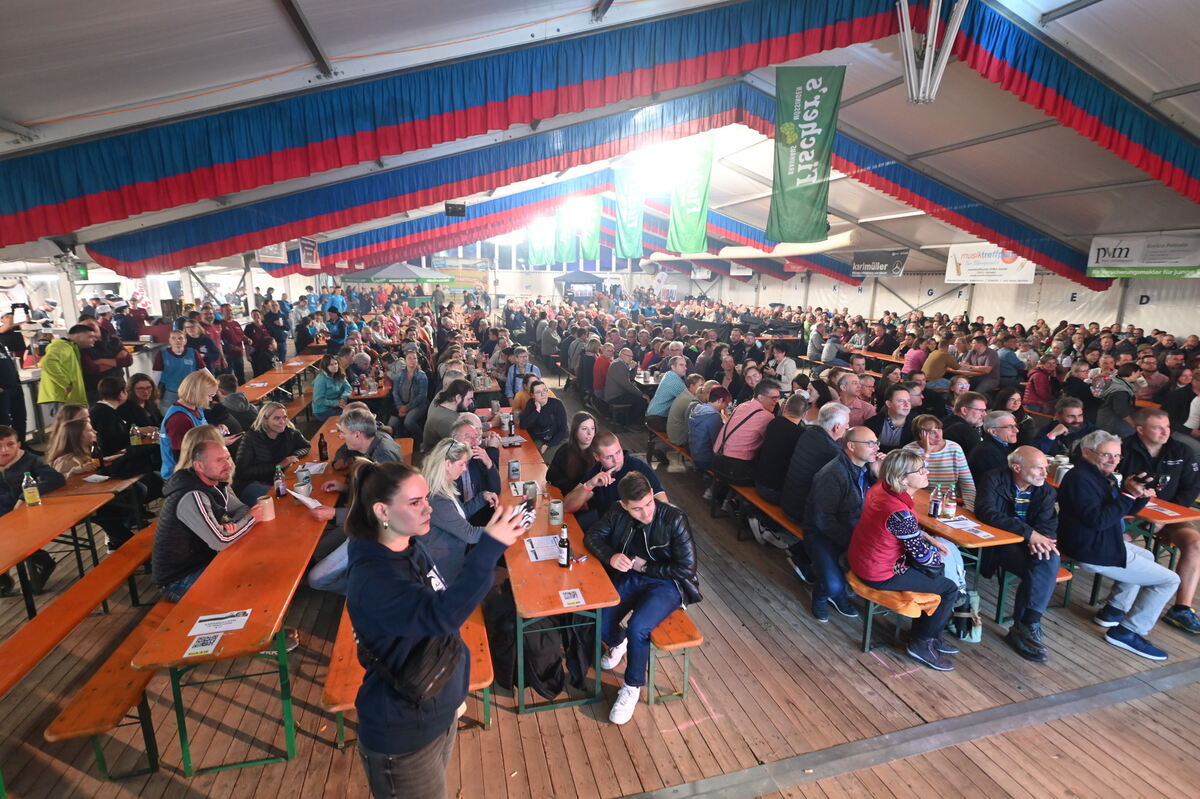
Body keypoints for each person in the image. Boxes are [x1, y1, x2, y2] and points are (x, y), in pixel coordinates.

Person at [344, 461, 522, 798]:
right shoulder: (374, 577)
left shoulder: (405, 544)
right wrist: (488, 549)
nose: (428, 508)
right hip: (404, 734)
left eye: (426, 498)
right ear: (382, 510)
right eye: (415, 503)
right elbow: (441, 615)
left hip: (437, 706)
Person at [585, 472, 698, 725]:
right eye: (637, 509)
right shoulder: (617, 512)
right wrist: (611, 556)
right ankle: (618, 641)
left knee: (638, 627)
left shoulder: (674, 518)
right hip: (633, 576)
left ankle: (632, 686)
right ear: (624, 505)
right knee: (601, 618)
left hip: (668, 583)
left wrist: (646, 568)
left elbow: (687, 568)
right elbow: (592, 537)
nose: (647, 513)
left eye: (649, 504)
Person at [1057, 430, 1179, 660]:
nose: (1113, 460)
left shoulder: (1101, 476)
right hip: (1092, 550)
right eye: (1106, 455)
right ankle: (1129, 631)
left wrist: (1139, 495)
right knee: (1170, 580)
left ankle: (1114, 610)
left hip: (1096, 543)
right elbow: (1098, 520)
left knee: (1148, 556)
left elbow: (1122, 512)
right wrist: (1127, 495)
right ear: (1086, 452)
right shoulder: (1080, 479)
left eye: (1117, 456)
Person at [847, 449, 962, 671]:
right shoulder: (899, 510)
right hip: (879, 572)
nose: (926, 472)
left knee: (935, 572)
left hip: (862, 556)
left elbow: (904, 530)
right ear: (902, 478)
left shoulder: (882, 489)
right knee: (948, 587)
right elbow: (922, 556)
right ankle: (922, 642)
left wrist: (928, 538)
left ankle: (930, 633)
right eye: (920, 470)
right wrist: (936, 565)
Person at [973, 446, 1061, 662]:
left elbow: (1048, 525)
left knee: (1048, 557)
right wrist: (1029, 534)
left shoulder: (1046, 491)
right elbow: (987, 512)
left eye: (1046, 467)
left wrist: (1040, 541)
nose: (1045, 473)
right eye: (1039, 468)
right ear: (1016, 467)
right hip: (999, 542)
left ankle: (1028, 623)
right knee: (1040, 569)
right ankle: (1025, 628)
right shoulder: (994, 478)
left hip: (1030, 543)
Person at [1118, 408, 1200, 634]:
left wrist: (1164, 516)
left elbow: (1191, 487)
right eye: (1158, 427)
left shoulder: (1182, 450)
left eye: (1167, 427)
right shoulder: (1122, 449)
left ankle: (1181, 609)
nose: (1166, 432)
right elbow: (1110, 484)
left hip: (1169, 516)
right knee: (1119, 538)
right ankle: (1115, 604)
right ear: (1140, 430)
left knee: (1195, 542)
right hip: (1129, 512)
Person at [803, 426, 881, 622]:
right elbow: (823, 520)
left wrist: (877, 474)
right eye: (870, 443)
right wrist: (854, 542)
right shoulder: (833, 474)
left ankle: (838, 591)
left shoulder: (864, 469)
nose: (876, 448)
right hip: (822, 534)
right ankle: (821, 596)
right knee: (833, 585)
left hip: (851, 530)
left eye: (876, 443)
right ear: (851, 446)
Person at [781, 403, 851, 581]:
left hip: (788, 499)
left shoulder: (810, 433)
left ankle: (799, 551)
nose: (848, 428)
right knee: (846, 525)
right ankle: (820, 570)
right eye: (847, 425)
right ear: (836, 427)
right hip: (799, 511)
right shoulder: (832, 452)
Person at [420, 439, 500, 581]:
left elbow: (461, 514)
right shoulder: (436, 499)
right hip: (444, 566)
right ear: (448, 464)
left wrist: (482, 497)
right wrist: (503, 528)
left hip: (454, 555)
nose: (465, 468)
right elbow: (470, 534)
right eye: (461, 464)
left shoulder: (445, 484)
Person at [0, 425, 65, 595]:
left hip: (26, 514)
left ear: (19, 444)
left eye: (10, 444)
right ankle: (3, 578)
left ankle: (43, 562)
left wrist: (25, 495)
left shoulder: (30, 460)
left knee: (12, 536)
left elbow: (56, 479)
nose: (4, 450)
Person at [562, 432, 666, 529]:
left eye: (618, 452)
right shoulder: (596, 473)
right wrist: (590, 484)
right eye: (609, 457)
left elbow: (664, 504)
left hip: (639, 527)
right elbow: (567, 507)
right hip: (609, 529)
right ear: (597, 457)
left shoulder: (638, 467)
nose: (616, 460)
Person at [234, 401, 311, 505]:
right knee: (286, 501)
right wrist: (279, 465)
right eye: (276, 418)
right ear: (265, 420)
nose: (282, 422)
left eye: (284, 417)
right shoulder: (250, 439)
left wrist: (293, 456)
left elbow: (306, 446)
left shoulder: (289, 432)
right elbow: (242, 472)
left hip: (278, 479)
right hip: (252, 484)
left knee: (304, 491)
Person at [712, 379, 782, 485]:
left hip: (716, 459)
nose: (777, 401)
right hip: (733, 469)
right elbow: (770, 446)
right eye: (774, 398)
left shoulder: (742, 405)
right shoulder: (767, 416)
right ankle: (736, 500)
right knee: (770, 481)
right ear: (760, 397)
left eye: (778, 397)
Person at [160, 371, 226, 478]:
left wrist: (216, 431)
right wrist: (218, 442)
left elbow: (200, 435)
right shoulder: (179, 419)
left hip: (197, 467)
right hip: (181, 476)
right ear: (198, 393)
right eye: (210, 395)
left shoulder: (196, 408)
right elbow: (182, 457)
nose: (211, 399)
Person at [752, 392, 809, 506]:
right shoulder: (801, 435)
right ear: (804, 414)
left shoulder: (774, 423)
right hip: (775, 491)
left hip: (759, 481)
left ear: (785, 407)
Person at [37, 324, 97, 420]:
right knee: (68, 430)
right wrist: (66, 384)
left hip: (68, 398)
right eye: (90, 336)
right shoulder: (62, 346)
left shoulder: (71, 348)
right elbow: (47, 363)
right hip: (61, 398)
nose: (94, 339)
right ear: (78, 337)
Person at [153, 330, 206, 410]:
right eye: (173, 338)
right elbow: (157, 374)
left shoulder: (193, 352)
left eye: (180, 338)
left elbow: (203, 370)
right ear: (169, 340)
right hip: (170, 392)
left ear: (185, 341)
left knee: (193, 415)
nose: (177, 341)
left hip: (190, 392)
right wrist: (153, 392)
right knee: (169, 415)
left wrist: (213, 384)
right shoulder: (162, 354)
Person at [547, 411, 597, 495]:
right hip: (568, 496)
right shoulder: (564, 450)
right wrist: (573, 490)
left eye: (592, 428)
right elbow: (551, 476)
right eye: (584, 429)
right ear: (575, 431)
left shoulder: (599, 451)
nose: (590, 433)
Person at [519, 380, 568, 463]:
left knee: (547, 459)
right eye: (538, 392)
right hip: (540, 438)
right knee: (531, 456)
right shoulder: (531, 404)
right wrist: (537, 410)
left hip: (558, 438)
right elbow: (523, 425)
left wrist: (548, 445)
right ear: (532, 395)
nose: (543, 394)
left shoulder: (557, 404)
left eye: (544, 390)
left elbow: (562, 430)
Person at [1031, 397, 1096, 458]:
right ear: (1058, 415)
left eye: (1080, 415)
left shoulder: (1094, 432)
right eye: (1071, 416)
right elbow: (1034, 455)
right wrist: (1052, 435)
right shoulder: (1049, 429)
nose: (1077, 420)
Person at [686, 386, 731, 472]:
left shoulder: (697, 409)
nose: (725, 407)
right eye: (726, 404)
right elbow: (718, 443)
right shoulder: (713, 416)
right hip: (705, 460)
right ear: (720, 400)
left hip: (694, 453)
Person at [423, 379, 474, 453]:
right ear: (458, 398)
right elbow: (465, 445)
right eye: (469, 399)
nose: (471, 402)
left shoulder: (445, 405)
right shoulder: (446, 420)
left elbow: (463, 418)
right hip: (439, 460)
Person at [389, 348, 429, 441]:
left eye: (414, 358)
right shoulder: (400, 374)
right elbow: (395, 392)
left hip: (418, 405)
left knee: (409, 421)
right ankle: (400, 440)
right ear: (405, 360)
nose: (412, 360)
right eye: (409, 358)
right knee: (391, 424)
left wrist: (407, 407)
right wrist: (399, 406)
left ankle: (422, 440)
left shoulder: (422, 375)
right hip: (401, 404)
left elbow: (422, 396)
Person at [967, 411, 1018, 482]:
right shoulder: (987, 451)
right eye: (1010, 427)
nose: (1016, 430)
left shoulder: (1001, 445)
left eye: (1015, 426)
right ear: (993, 432)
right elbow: (1003, 482)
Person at [864, 384, 913, 452]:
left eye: (909, 401)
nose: (907, 405)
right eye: (901, 401)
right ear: (889, 404)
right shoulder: (872, 423)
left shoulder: (916, 426)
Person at [1097, 362, 1141, 437]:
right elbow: (1122, 411)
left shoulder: (1115, 381)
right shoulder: (1120, 391)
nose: (1139, 376)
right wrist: (1133, 424)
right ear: (1133, 373)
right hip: (1113, 424)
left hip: (1106, 420)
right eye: (1138, 373)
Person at [645, 356, 688, 431]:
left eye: (685, 365)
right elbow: (688, 399)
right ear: (673, 367)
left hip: (652, 414)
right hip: (657, 419)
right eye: (681, 365)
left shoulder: (669, 374)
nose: (685, 368)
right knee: (688, 428)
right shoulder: (674, 380)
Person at [605, 347, 648, 423]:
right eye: (628, 356)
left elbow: (630, 378)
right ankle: (631, 423)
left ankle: (632, 420)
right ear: (621, 355)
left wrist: (634, 368)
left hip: (620, 393)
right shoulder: (618, 364)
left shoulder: (622, 363)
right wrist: (641, 394)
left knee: (642, 395)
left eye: (631, 356)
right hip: (615, 396)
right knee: (642, 401)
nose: (631, 358)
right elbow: (626, 384)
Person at [943, 391, 988, 455]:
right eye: (981, 410)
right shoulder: (967, 432)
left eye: (984, 410)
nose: (984, 414)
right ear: (964, 410)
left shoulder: (944, 421)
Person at [666, 374, 704, 448]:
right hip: (679, 438)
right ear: (692, 386)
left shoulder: (685, 393)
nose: (703, 388)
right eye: (701, 385)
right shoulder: (690, 400)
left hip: (673, 433)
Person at [313, 353, 353, 420]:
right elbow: (318, 400)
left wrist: (343, 398)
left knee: (360, 408)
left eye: (336, 363)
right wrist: (336, 403)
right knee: (350, 416)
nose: (335, 366)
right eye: (331, 365)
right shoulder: (321, 379)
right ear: (325, 366)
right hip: (322, 410)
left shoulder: (339, 374)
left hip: (338, 405)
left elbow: (348, 388)